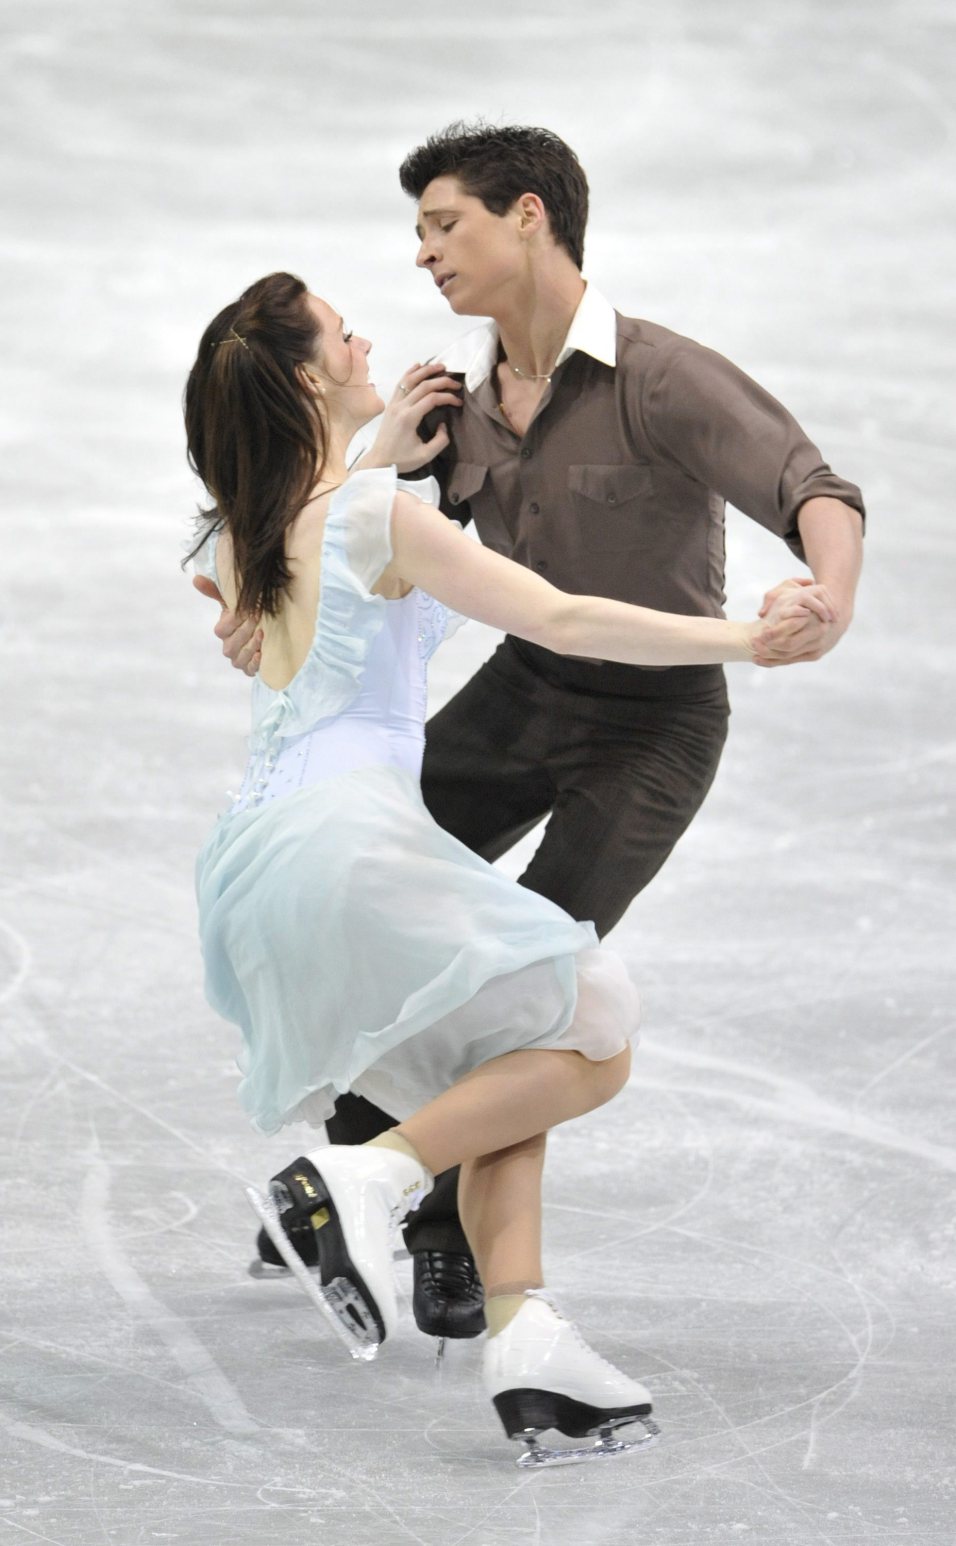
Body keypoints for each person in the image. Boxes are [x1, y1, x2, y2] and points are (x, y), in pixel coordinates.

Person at [197, 123, 865, 1345]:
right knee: (400, 922)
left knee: (537, 972)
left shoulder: (661, 377)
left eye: (441, 225)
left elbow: (808, 484)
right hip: (524, 688)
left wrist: (828, 593)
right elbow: (331, 542)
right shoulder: (450, 409)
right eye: (415, 233)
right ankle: (350, 1169)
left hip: (652, 728)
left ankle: (433, 1225)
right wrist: (266, 614)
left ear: (527, 218)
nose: (422, 257)